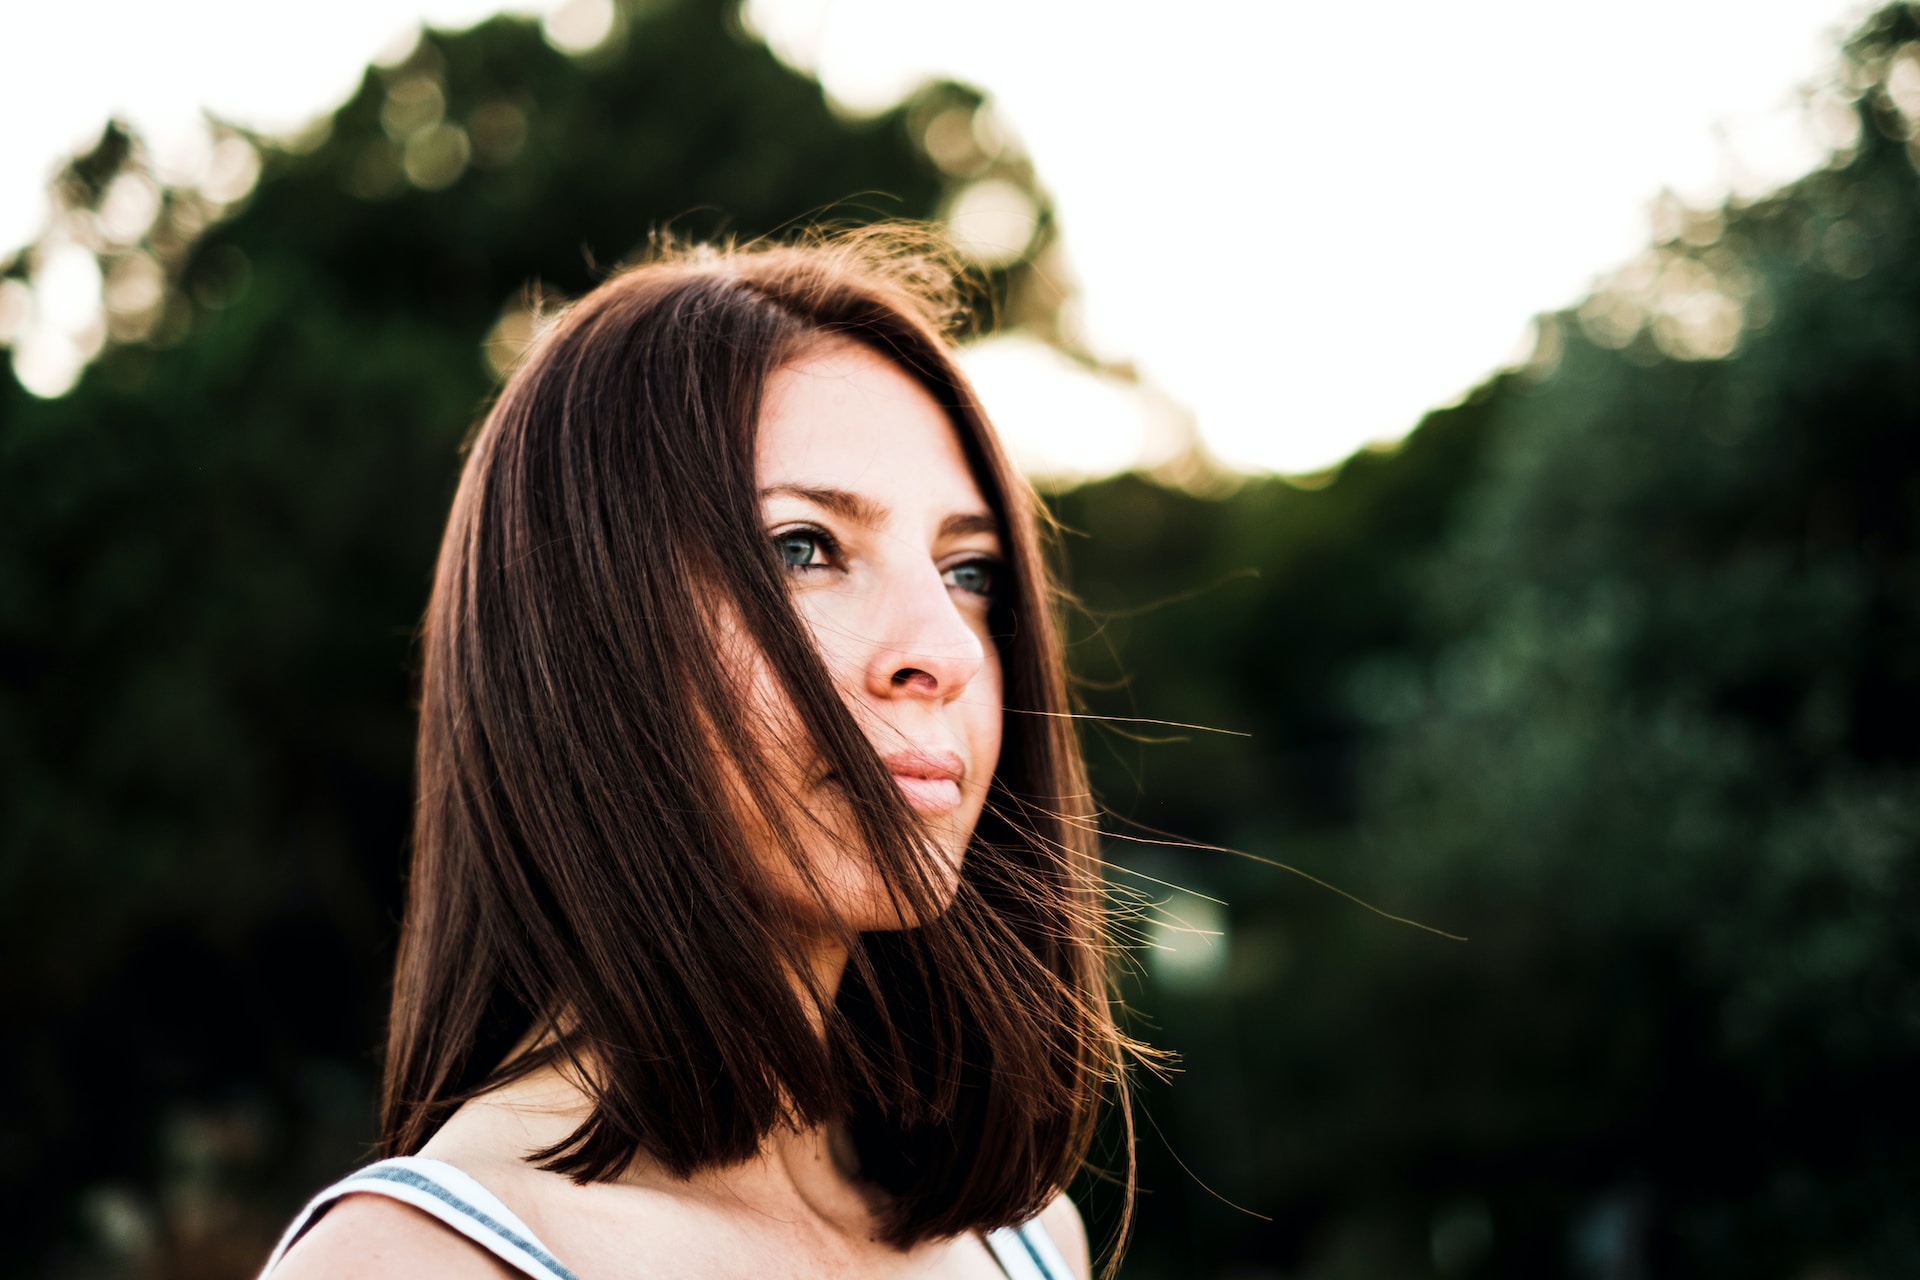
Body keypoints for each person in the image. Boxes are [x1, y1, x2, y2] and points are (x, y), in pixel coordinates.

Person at [261, 229, 1131, 1280]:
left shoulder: (1031, 1242)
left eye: (969, 568)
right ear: (588, 634)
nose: (943, 649)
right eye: (804, 547)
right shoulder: (413, 1264)